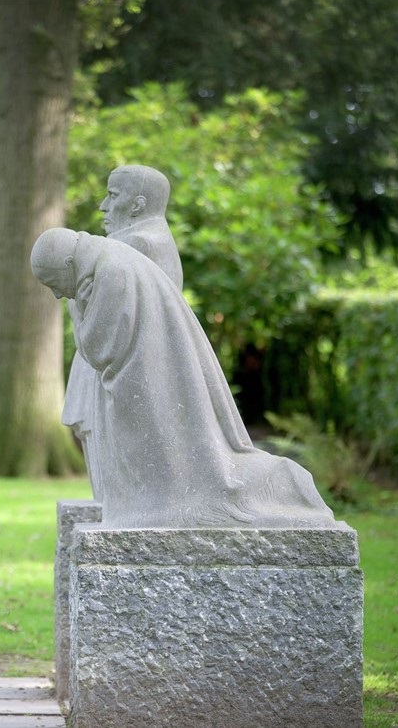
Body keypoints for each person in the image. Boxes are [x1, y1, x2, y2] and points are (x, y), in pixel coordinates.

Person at [33, 228, 336, 529]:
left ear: (69, 264)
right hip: (148, 387)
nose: (58, 293)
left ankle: (285, 484)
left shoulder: (111, 271)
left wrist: (77, 312)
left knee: (192, 480)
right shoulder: (108, 263)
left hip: (150, 392)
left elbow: (98, 350)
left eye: (54, 283)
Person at [63, 165, 182, 499]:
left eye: (112, 196)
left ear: (138, 205)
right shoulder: (138, 242)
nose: (102, 205)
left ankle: (118, 507)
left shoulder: (138, 244)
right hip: (108, 368)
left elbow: (108, 323)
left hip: (119, 371)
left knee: (114, 474)